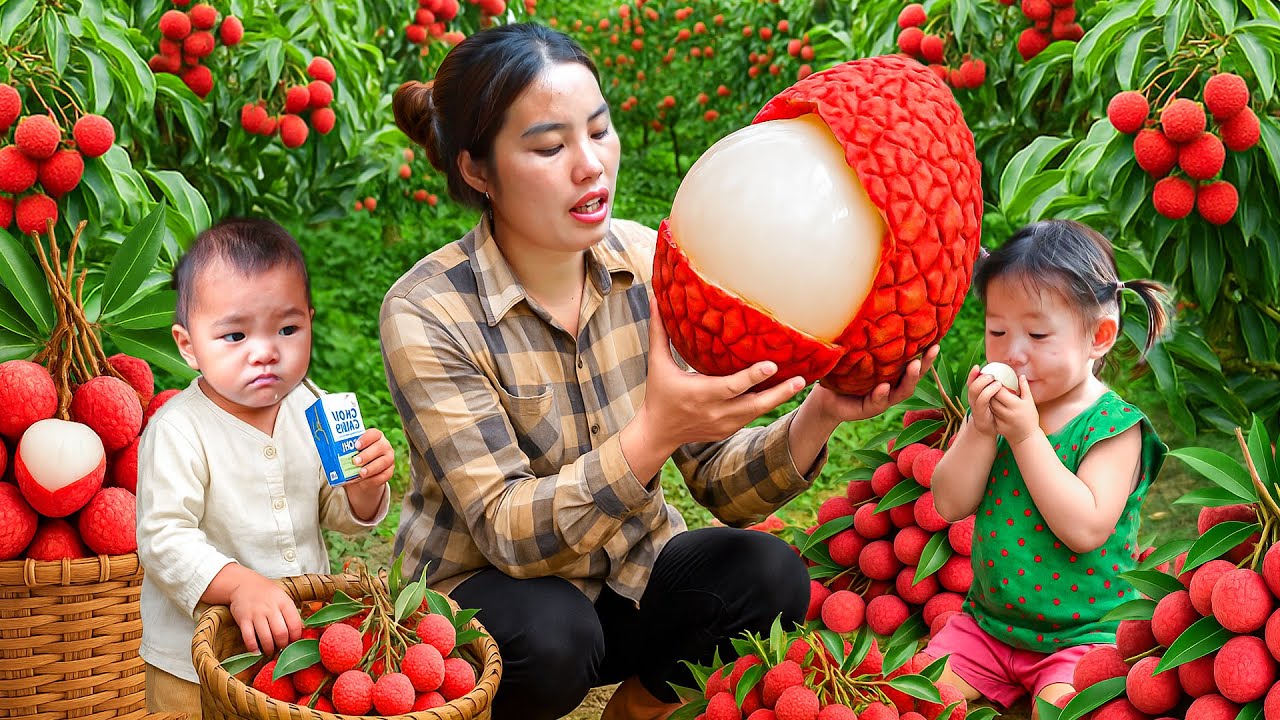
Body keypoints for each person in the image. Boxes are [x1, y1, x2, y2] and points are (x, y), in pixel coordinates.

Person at [381, 22, 935, 720]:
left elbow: (720, 485)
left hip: (629, 578)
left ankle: (636, 710)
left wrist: (819, 413)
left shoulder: (648, 261)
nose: (591, 165)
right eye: (550, 146)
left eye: (599, 129)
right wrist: (654, 434)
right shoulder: (427, 311)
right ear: (476, 170)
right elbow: (506, 531)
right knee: (555, 636)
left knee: (768, 575)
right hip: (495, 601)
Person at [136, 218, 396, 716]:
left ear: (310, 324)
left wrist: (365, 485)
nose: (266, 352)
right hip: (192, 663)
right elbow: (164, 539)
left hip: (298, 650)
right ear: (189, 345)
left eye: (287, 329)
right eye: (234, 335)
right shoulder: (177, 430)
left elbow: (336, 508)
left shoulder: (311, 406)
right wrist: (239, 583)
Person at [927, 219, 1170, 715]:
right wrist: (979, 429)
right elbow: (948, 503)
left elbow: (1085, 528)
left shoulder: (1113, 426)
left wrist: (1026, 436)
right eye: (997, 330)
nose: (1013, 353)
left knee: (1062, 710)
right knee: (920, 696)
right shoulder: (1001, 411)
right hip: (987, 628)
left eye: (1038, 334)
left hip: (1085, 633)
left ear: (1099, 335)